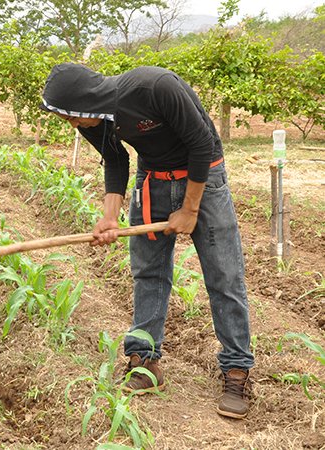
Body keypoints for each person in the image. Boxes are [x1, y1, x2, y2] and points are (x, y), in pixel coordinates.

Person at [40, 63, 254, 419]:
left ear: (83, 101)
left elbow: (202, 143)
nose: (73, 125)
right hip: (152, 179)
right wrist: (110, 216)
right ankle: (144, 362)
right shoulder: (94, 117)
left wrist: (189, 209)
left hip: (204, 178)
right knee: (148, 273)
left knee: (224, 276)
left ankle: (236, 370)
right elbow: (115, 158)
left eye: (70, 116)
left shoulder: (155, 86)